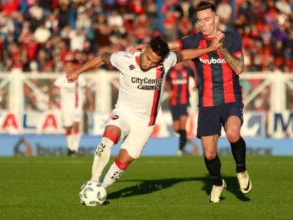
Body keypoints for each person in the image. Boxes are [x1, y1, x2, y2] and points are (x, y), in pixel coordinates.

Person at [66, 37, 223, 193]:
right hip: (124, 112)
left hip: (145, 122)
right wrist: (78, 71)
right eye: (148, 58)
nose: (149, 64)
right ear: (145, 49)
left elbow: (185, 54)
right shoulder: (124, 59)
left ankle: (101, 188)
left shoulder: (165, 61)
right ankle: (93, 182)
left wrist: (209, 49)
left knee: (124, 160)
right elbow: (102, 58)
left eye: (154, 62)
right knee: (108, 138)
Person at [168, 1, 251, 203]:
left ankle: (241, 169)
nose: (203, 24)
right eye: (200, 21)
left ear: (216, 19)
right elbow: (169, 46)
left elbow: (239, 68)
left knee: (233, 134)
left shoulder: (232, 38)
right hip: (207, 103)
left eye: (207, 19)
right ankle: (217, 182)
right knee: (209, 152)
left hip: (231, 98)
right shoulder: (193, 40)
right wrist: (145, 47)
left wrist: (220, 48)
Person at [54, 54, 93, 156]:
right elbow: (53, 89)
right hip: (65, 106)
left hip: (77, 105)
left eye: (71, 65)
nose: (69, 67)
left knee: (76, 125)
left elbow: (87, 89)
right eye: (67, 65)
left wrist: (90, 103)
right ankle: (70, 147)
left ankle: (75, 148)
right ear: (64, 66)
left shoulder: (79, 76)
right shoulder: (61, 78)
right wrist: (51, 99)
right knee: (68, 127)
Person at [165, 62, 195, 156]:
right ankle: (185, 140)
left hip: (184, 102)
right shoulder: (171, 71)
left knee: (183, 126)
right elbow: (166, 82)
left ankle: (180, 149)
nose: (179, 64)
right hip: (174, 103)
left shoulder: (187, 70)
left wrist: (196, 85)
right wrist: (169, 91)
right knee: (177, 128)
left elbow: (197, 75)